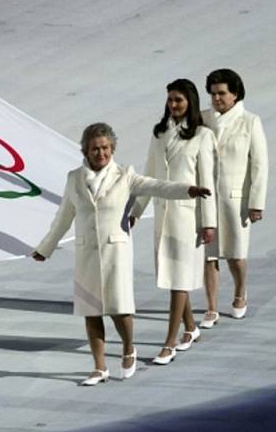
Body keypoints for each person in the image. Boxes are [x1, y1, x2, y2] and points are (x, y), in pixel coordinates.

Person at [32, 123, 210, 385]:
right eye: (94, 149)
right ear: (85, 150)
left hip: (116, 252)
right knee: (91, 311)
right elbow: (63, 218)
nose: (100, 153)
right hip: (87, 254)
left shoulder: (125, 175)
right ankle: (99, 366)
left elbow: (157, 186)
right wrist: (45, 248)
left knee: (119, 309)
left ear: (112, 148)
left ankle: (129, 349)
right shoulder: (74, 178)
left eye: (105, 148)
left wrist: (187, 190)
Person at [129, 79, 216, 365]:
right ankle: (190, 328)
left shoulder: (202, 135)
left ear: (189, 101)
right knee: (173, 277)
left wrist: (209, 223)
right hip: (163, 216)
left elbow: (207, 181)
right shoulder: (159, 133)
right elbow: (148, 176)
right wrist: (136, 210)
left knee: (180, 280)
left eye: (178, 100)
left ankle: (170, 342)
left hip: (188, 218)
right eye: (170, 100)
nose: (173, 105)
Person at [199, 69, 268, 327]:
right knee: (209, 254)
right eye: (213, 94)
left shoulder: (250, 121)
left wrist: (256, 203)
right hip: (206, 198)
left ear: (235, 94)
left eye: (221, 93)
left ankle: (240, 293)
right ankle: (211, 306)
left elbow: (259, 165)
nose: (216, 98)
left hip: (236, 200)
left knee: (236, 254)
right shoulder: (202, 119)